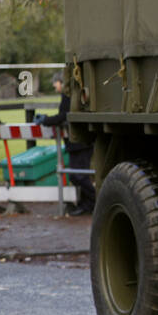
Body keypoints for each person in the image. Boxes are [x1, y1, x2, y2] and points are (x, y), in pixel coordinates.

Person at [37, 72, 95, 216]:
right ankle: (86, 204)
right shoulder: (71, 95)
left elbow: (64, 115)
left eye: (55, 82)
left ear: (62, 83)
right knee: (77, 175)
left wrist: (46, 120)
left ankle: (94, 201)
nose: (53, 85)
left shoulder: (68, 96)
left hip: (79, 142)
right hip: (78, 142)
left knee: (78, 175)